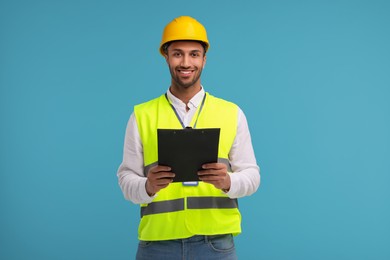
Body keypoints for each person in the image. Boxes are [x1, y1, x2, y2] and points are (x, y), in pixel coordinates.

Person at [117, 16, 260, 260]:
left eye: (194, 54)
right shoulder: (142, 115)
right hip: (157, 245)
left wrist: (227, 182)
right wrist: (147, 186)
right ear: (166, 56)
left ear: (204, 59)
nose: (186, 62)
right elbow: (126, 179)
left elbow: (252, 176)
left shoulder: (231, 113)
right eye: (177, 54)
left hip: (215, 244)